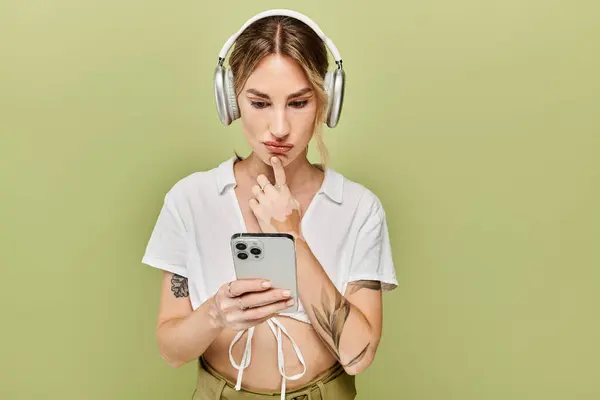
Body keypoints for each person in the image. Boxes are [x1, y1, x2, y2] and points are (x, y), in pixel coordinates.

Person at [141, 9, 398, 400]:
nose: (279, 128)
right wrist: (215, 314)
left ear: (326, 103)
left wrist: (291, 236)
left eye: (298, 103)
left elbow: (358, 356)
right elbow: (170, 350)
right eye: (260, 103)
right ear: (230, 101)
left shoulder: (359, 209)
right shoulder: (190, 200)